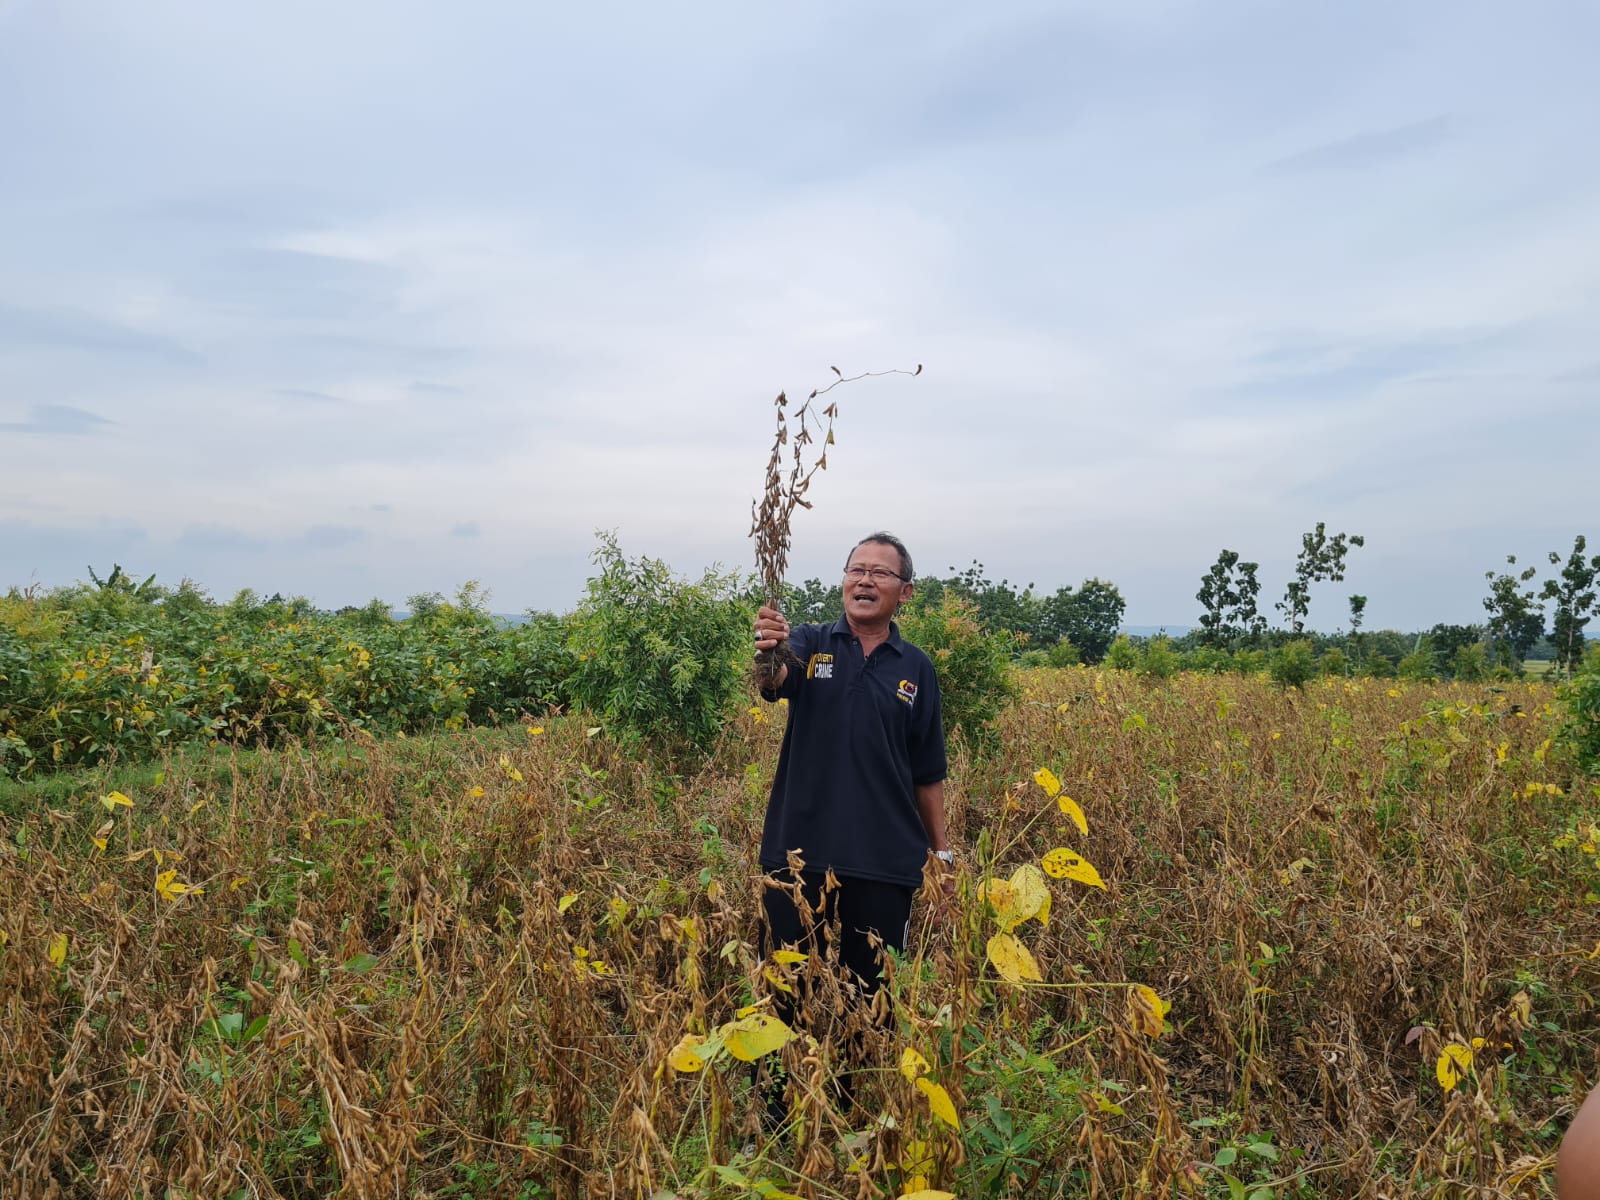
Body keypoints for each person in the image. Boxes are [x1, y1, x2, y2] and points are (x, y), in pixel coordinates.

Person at [750, 531, 952, 1127]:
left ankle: (854, 1113)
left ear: (905, 592)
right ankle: (777, 1121)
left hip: (886, 863)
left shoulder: (916, 670)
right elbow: (773, 680)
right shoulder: (809, 644)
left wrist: (940, 856)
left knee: (873, 999)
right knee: (786, 989)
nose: (864, 581)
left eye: (880, 574)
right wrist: (768, 649)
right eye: (855, 570)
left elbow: (928, 774)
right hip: (797, 859)